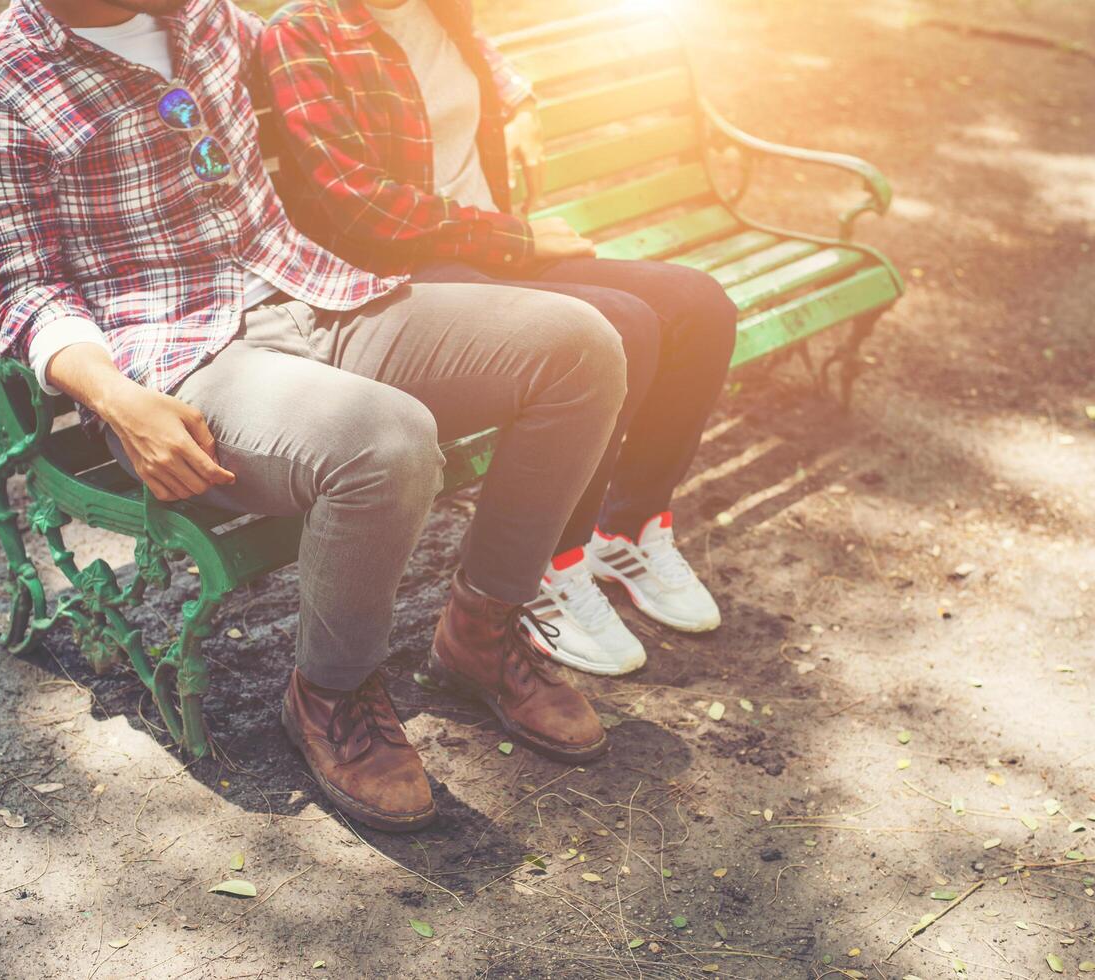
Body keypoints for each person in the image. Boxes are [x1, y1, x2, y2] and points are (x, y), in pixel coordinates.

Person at [0, 0, 633, 833]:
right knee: (386, 441)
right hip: (177, 365)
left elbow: (337, 30)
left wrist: (507, 89)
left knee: (580, 344)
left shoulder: (208, 18)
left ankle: (480, 630)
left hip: (314, 292)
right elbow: (26, 290)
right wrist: (116, 402)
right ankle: (329, 695)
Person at [260, 0, 739, 678]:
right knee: (621, 326)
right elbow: (358, 202)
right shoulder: (303, 33)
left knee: (700, 305)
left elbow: (492, 66)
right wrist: (512, 235)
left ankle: (627, 527)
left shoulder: (443, 13)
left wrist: (520, 106)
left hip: (494, 246)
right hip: (410, 271)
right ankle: (552, 562)